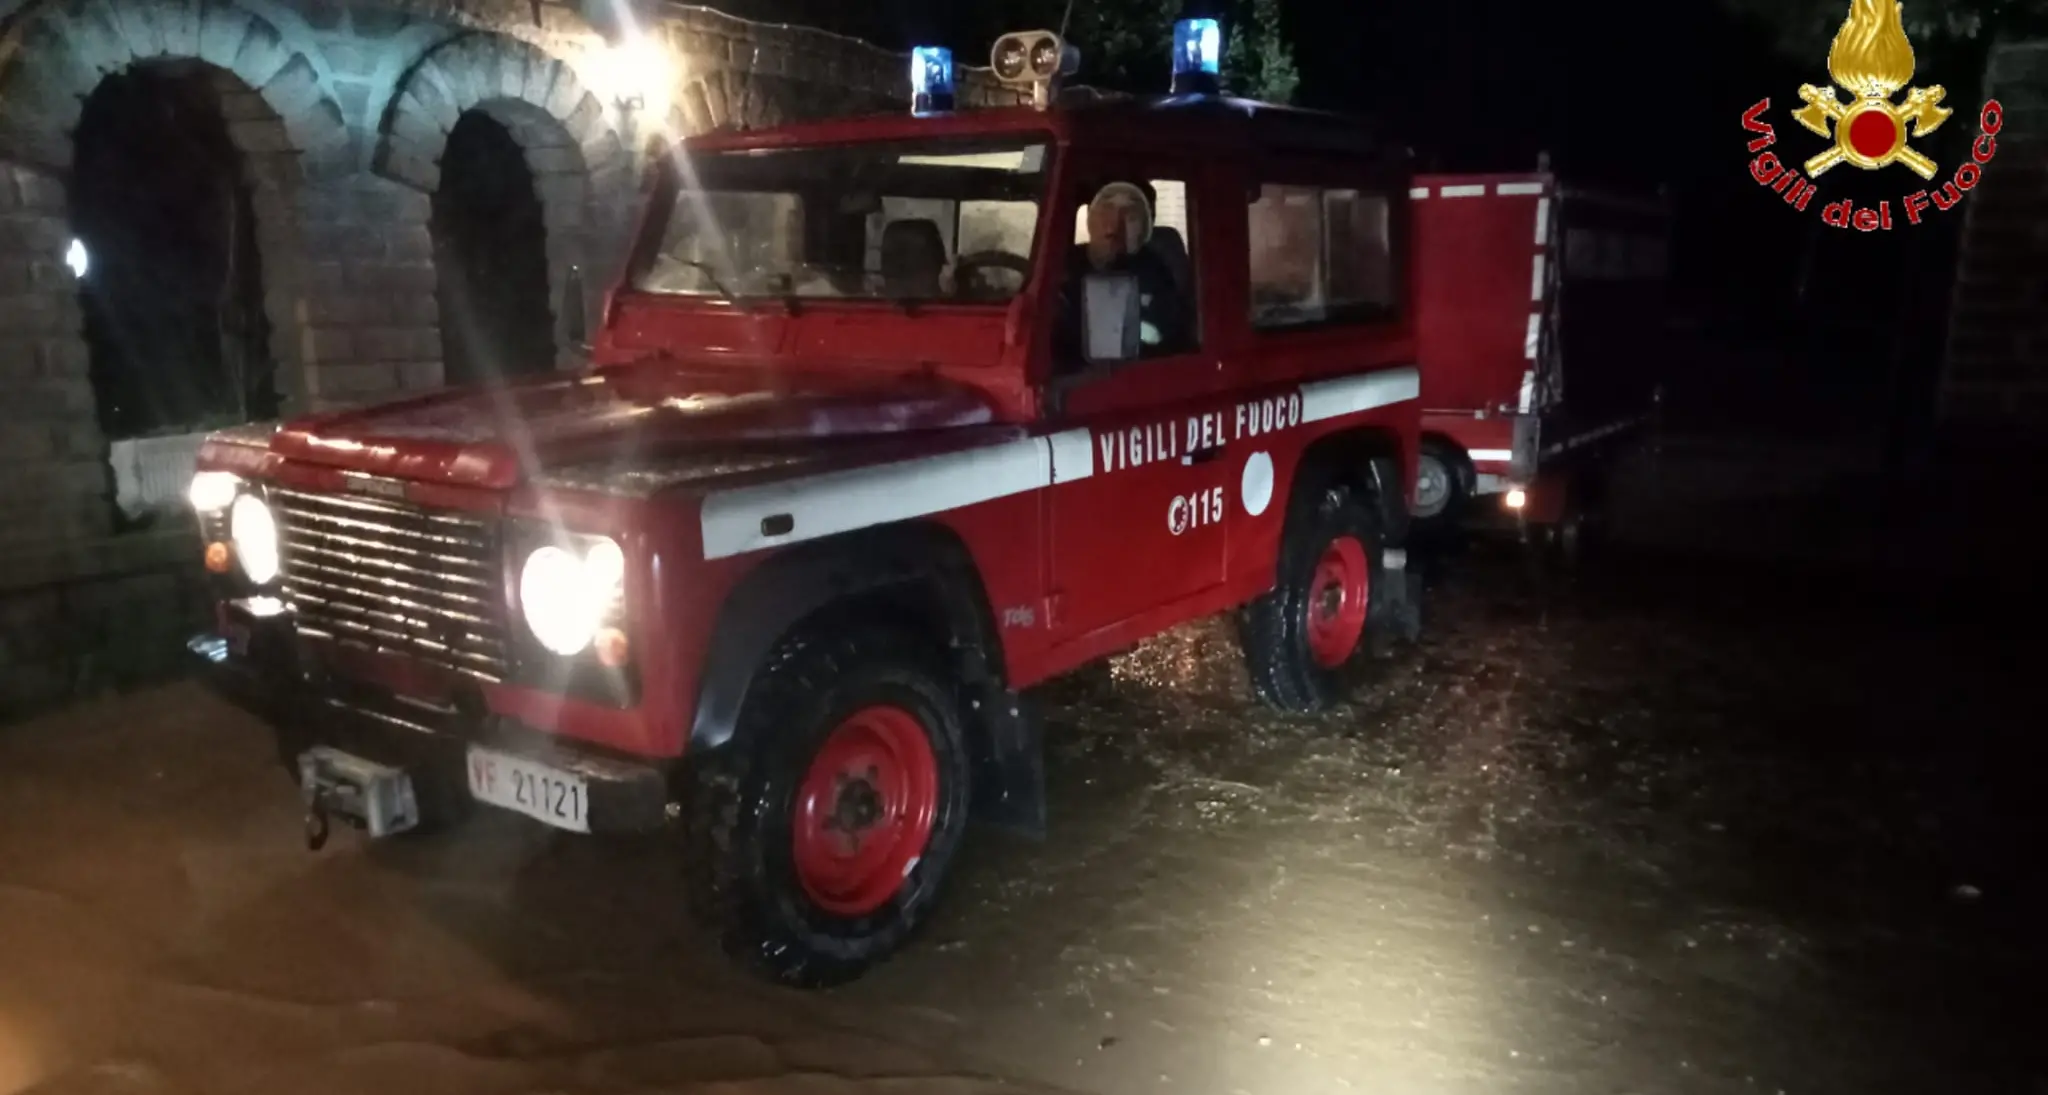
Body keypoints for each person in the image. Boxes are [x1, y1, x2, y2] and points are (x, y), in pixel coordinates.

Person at [1056, 182, 1188, 363]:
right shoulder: (1066, 264)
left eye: (1131, 216)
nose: (1115, 225)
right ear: (1091, 219)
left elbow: (1168, 336)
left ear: (1144, 227)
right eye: (1106, 211)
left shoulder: (1154, 269)